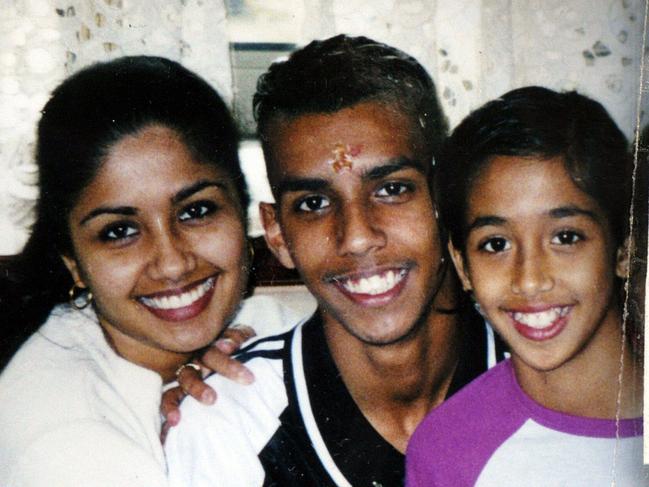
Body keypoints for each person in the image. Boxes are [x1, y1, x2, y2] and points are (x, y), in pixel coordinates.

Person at [165, 34, 506, 487]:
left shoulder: (546, 371)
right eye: (312, 203)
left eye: (391, 189)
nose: (358, 237)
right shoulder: (231, 419)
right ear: (277, 233)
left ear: (448, 197)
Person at [0, 56, 302, 486]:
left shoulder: (256, 327)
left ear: (242, 207)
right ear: (73, 261)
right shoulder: (70, 447)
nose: (173, 262)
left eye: (197, 211)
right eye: (120, 231)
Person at [405, 87, 647, 486]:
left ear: (624, 248)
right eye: (496, 244)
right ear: (463, 266)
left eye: (565, 237)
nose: (530, 279)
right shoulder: (448, 450)